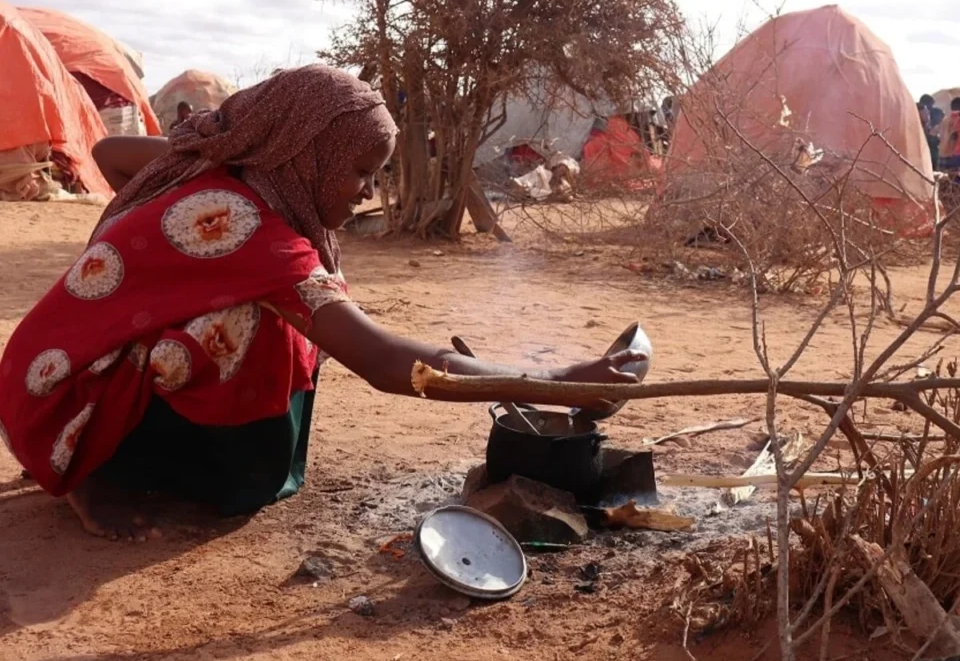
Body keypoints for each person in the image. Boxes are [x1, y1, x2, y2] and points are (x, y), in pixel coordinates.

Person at [0, 65, 646, 542]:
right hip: (62, 401)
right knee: (243, 324)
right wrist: (558, 381)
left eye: (376, 173)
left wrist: (221, 144)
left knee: (266, 320)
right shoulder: (254, 232)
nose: (367, 190)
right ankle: (96, 471)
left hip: (41, 372)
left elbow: (111, 154)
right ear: (304, 154)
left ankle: (125, 444)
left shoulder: (224, 170)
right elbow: (385, 362)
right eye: (359, 170)